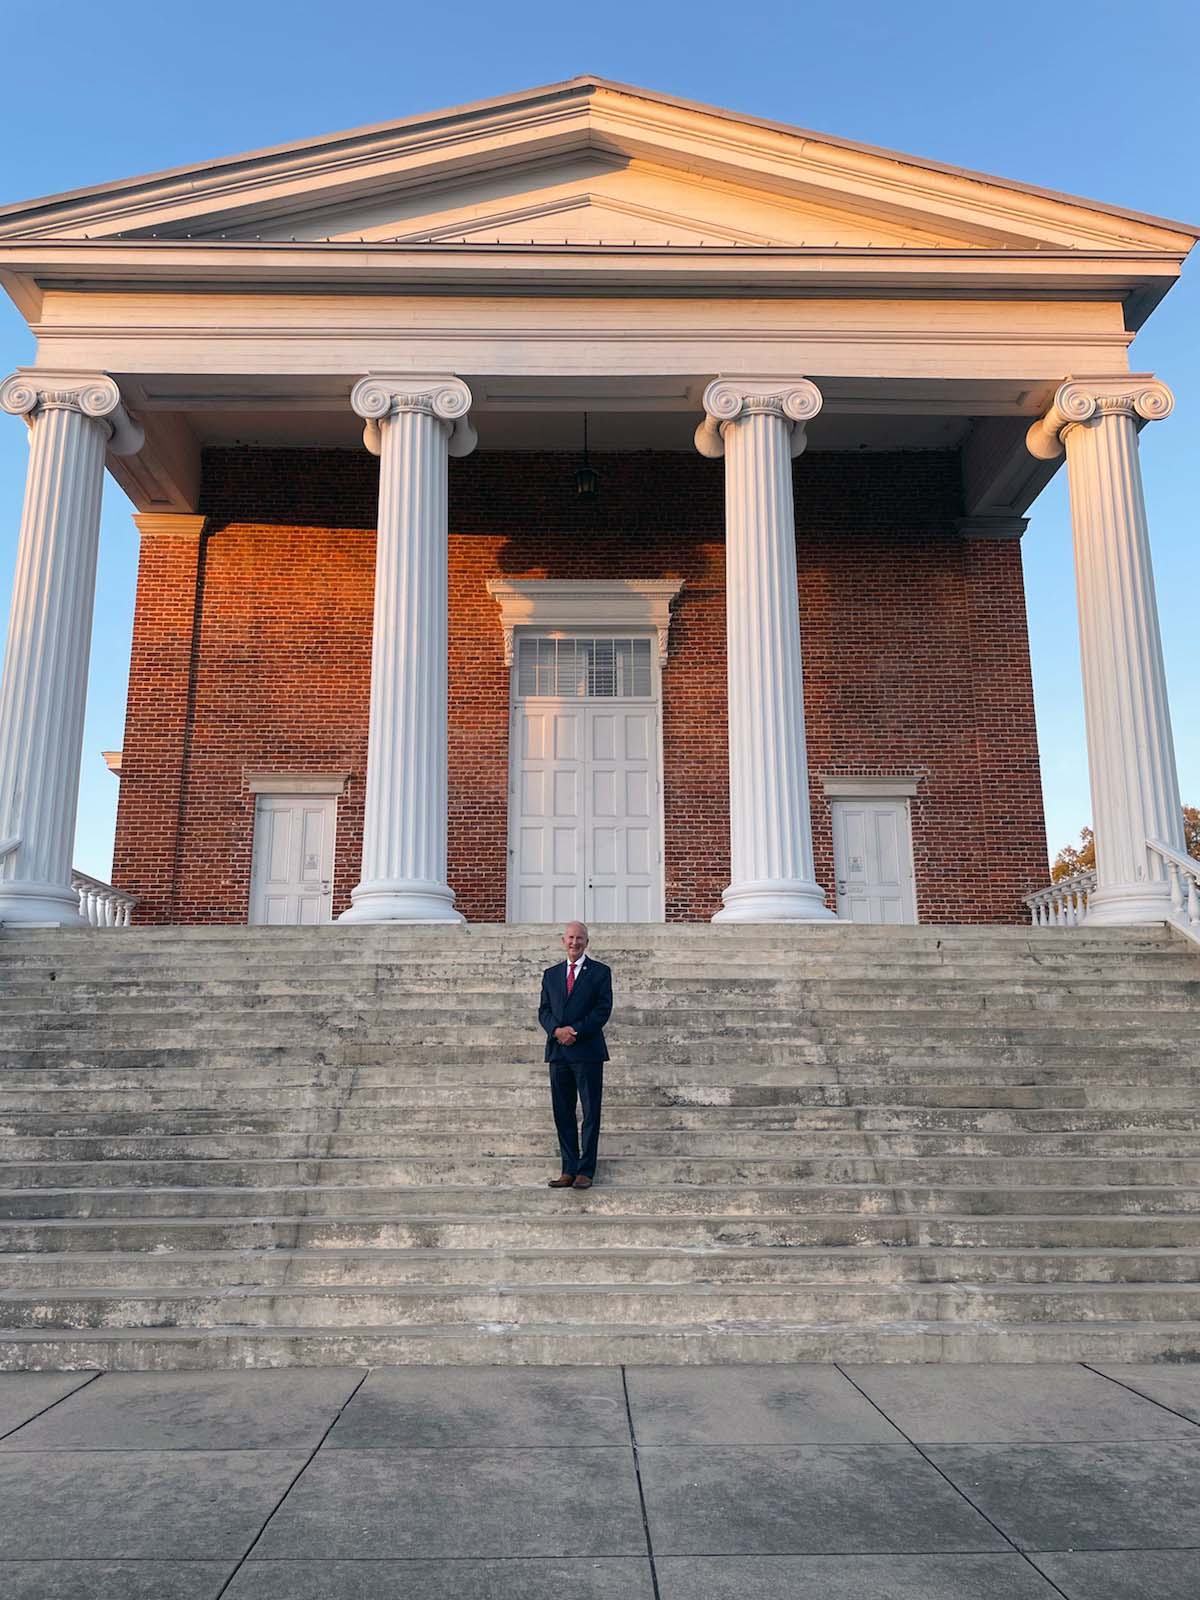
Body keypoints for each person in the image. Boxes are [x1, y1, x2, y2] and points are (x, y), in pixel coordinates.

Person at [538, 921, 613, 1190]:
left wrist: (576, 1031)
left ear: (587, 942)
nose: (575, 942)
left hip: (587, 1051)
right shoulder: (551, 974)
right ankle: (568, 1169)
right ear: (563, 941)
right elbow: (543, 1010)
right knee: (563, 1112)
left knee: (591, 1112)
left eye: (580, 938)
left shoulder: (601, 973)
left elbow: (603, 1010)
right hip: (558, 1052)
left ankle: (586, 1170)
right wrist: (557, 1031)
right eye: (570, 937)